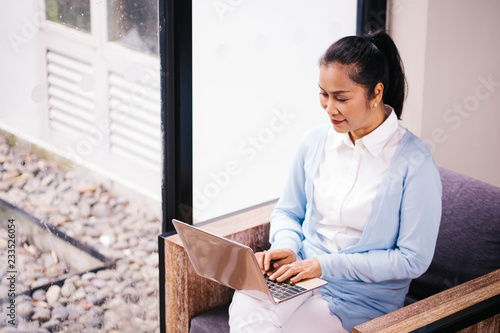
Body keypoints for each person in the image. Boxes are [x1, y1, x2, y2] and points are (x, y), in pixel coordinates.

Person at [228, 30, 442, 333]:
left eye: (341, 97)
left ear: (376, 93)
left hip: (359, 298)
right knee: (248, 312)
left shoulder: (415, 163)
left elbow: (411, 260)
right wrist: (287, 246)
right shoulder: (313, 142)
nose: (329, 108)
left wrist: (324, 265)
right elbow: (289, 212)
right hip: (297, 273)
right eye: (323, 94)